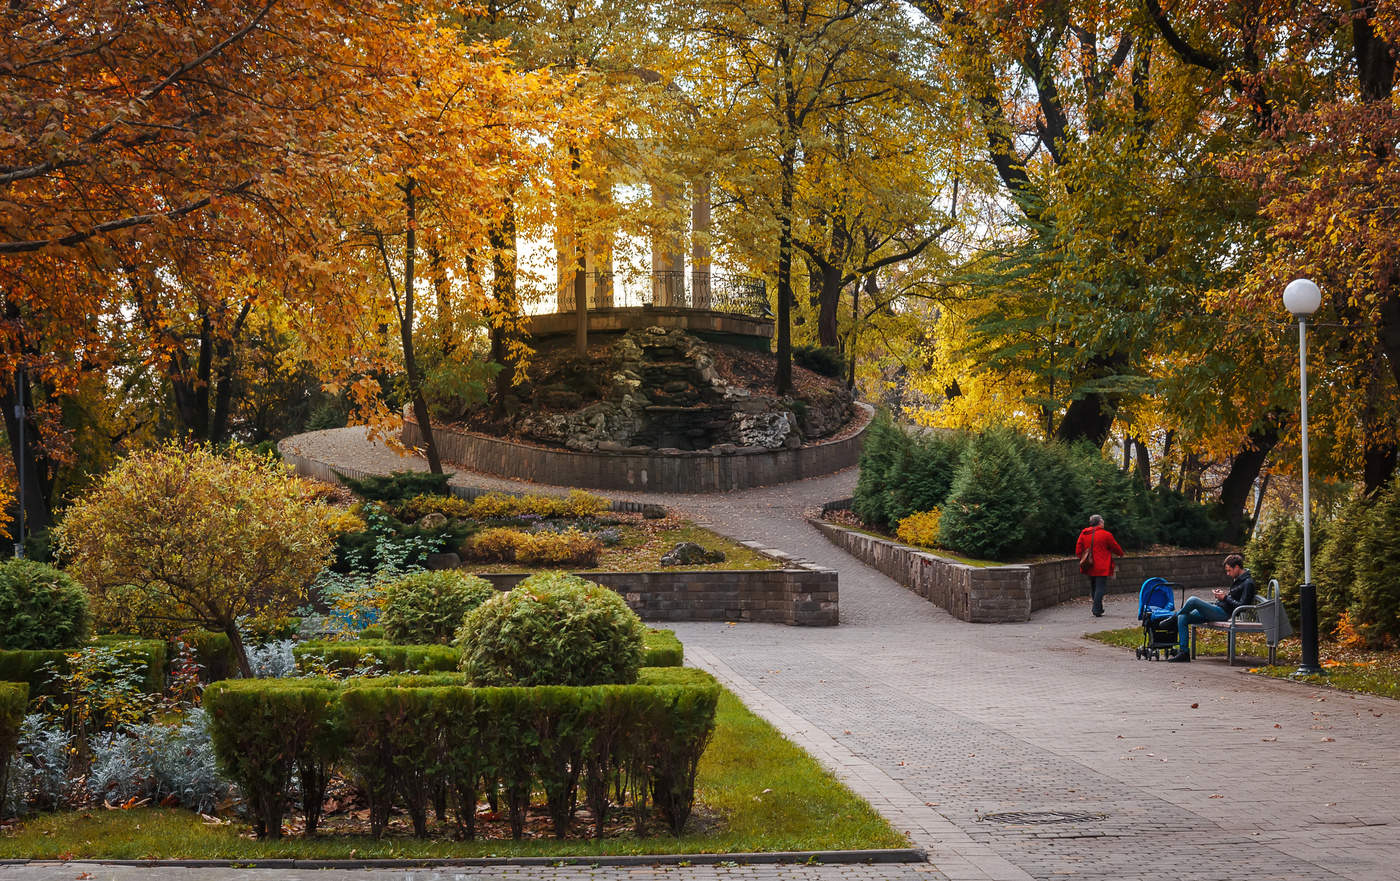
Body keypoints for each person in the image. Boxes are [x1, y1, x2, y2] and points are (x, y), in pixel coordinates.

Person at [1165, 553, 1257, 662]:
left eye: (1229, 571)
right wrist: (1222, 596)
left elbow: (1242, 606)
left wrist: (1224, 597)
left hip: (1223, 613)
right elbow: (1232, 598)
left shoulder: (1248, 583)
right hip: (1217, 608)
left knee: (1193, 600)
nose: (1228, 574)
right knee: (1183, 617)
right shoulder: (1239, 580)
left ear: (1236, 567)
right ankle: (1184, 653)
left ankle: (1174, 616)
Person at [1075, 514, 1125, 617]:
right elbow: (1115, 546)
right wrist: (1120, 554)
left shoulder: (1084, 534)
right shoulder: (1106, 534)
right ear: (1100, 523)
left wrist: (1083, 558)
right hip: (1102, 565)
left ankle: (1099, 607)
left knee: (1094, 586)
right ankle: (1096, 609)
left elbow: (1078, 549)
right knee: (1100, 587)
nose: (1103, 523)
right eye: (1102, 521)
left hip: (1089, 565)